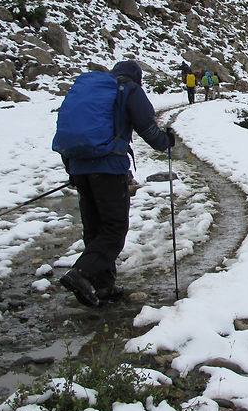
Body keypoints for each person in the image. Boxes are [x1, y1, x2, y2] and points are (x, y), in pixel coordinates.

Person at [57, 60, 175, 307]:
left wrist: (72, 170)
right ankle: (81, 273)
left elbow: (70, 131)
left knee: (95, 229)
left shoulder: (94, 93)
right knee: (114, 228)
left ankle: (103, 286)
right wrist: (166, 142)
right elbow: (147, 127)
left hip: (80, 167)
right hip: (108, 169)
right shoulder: (129, 90)